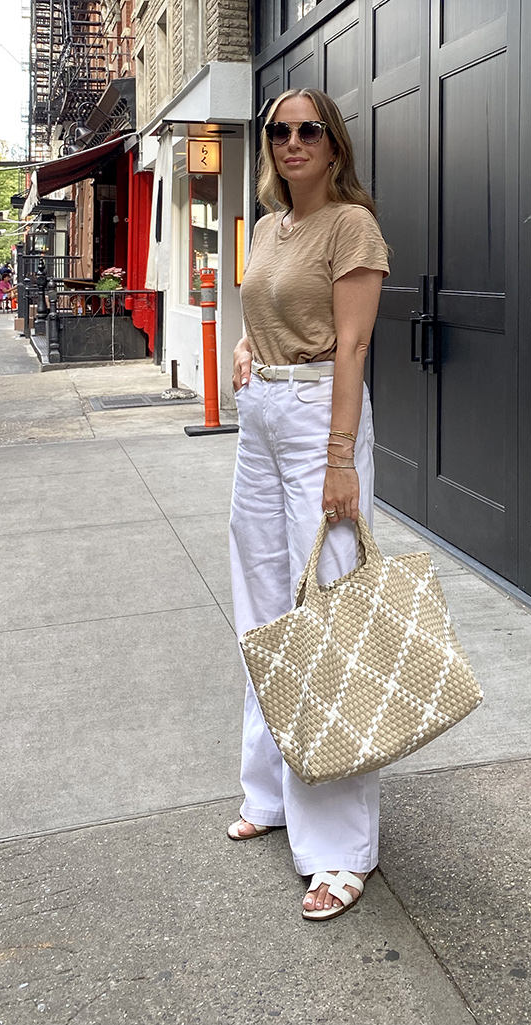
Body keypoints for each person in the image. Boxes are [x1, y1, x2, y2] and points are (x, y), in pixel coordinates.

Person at [229, 87, 389, 923]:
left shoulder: (350, 225)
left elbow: (353, 341)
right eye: (279, 131)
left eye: (308, 130)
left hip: (320, 417)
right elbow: (268, 307)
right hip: (262, 419)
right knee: (262, 611)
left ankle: (339, 850)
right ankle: (272, 790)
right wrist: (247, 344)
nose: (292, 141)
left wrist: (339, 459)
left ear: (333, 146)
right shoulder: (267, 227)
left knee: (326, 626)